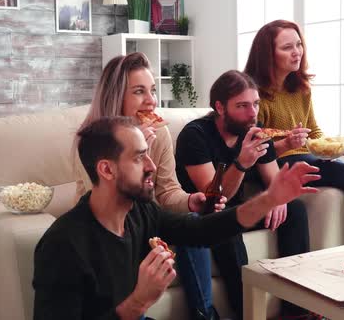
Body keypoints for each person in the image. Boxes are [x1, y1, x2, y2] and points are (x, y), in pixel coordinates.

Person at [33, 116, 321, 319]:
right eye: (138, 158)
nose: (152, 166)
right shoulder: (63, 245)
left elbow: (202, 231)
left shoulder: (139, 211)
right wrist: (138, 302)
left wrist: (270, 199)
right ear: (106, 170)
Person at [73, 52, 223, 319]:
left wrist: (191, 200)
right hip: (110, 228)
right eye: (139, 91)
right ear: (116, 96)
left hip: (152, 222)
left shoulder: (160, 132)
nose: (151, 100)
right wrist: (133, 152)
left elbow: (167, 192)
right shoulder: (92, 141)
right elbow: (101, 204)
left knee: (191, 220)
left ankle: (205, 315)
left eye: (152, 90)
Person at [175, 70, 316, 319]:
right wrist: (241, 163)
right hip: (205, 215)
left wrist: (276, 198)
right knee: (227, 224)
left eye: (255, 104)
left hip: (238, 209)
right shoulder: (194, 136)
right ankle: (247, 312)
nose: (252, 113)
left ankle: (296, 310)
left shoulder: (255, 130)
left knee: (294, 210)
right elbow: (214, 198)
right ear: (220, 107)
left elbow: (275, 181)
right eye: (242, 106)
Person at [243, 19, 344, 242]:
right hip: (277, 164)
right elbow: (257, 150)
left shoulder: (301, 88)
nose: (297, 52)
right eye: (287, 47)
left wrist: (328, 149)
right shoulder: (255, 95)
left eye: (298, 44)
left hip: (305, 156)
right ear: (268, 55)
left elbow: (313, 130)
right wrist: (287, 144)